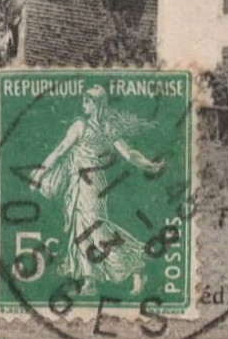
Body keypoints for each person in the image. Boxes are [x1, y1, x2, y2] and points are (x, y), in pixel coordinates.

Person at [29, 85, 165, 296]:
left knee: (98, 230)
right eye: (83, 101)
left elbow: (129, 154)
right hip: (78, 183)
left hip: (93, 184)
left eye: (88, 101)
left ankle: (137, 267)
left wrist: (150, 165)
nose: (83, 104)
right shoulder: (83, 126)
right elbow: (60, 150)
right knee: (80, 229)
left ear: (98, 104)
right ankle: (89, 281)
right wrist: (39, 173)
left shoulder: (101, 128)